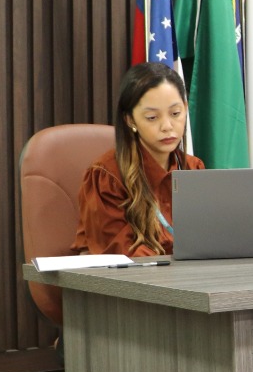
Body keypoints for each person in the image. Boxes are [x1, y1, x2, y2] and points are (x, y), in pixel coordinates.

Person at [72, 61, 205, 257]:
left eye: (175, 113)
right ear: (130, 120)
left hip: (185, 273)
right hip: (132, 274)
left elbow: (205, 238)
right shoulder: (107, 176)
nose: (167, 126)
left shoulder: (193, 168)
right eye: (152, 117)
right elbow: (118, 251)